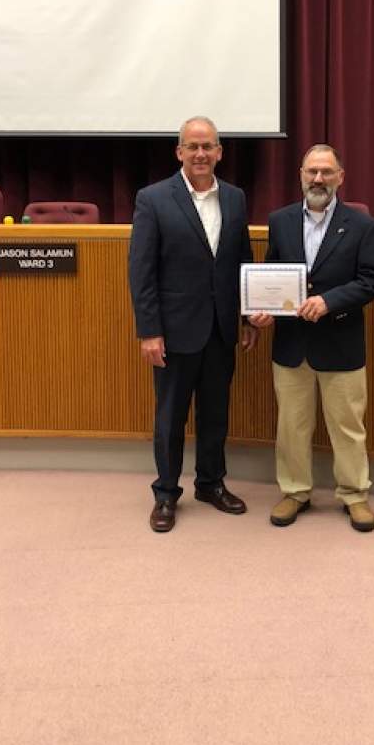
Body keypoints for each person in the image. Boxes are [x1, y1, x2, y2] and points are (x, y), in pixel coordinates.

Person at [129, 116, 258, 532]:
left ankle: (210, 483)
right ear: (179, 152)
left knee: (216, 414)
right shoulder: (153, 199)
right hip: (175, 330)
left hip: (222, 329)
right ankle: (166, 493)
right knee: (170, 418)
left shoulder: (236, 198)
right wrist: (149, 331)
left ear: (220, 152)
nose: (200, 154)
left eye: (208, 146)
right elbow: (141, 271)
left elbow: (242, 262)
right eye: (192, 146)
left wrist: (247, 315)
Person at [250, 144, 374, 532]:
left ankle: (354, 494)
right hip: (291, 346)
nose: (318, 179)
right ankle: (295, 492)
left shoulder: (362, 225)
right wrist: (261, 312)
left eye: (327, 172)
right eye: (312, 171)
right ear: (300, 175)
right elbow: (271, 276)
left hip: (340, 343)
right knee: (291, 425)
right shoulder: (280, 221)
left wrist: (329, 301)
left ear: (341, 177)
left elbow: (373, 281)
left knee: (346, 425)